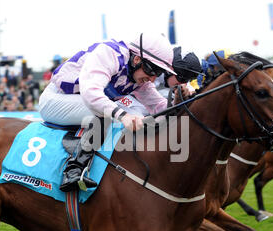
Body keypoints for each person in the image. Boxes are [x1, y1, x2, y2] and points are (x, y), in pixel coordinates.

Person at [38, 32, 176, 192]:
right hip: (55, 99)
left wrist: (183, 102)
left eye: (159, 73)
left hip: (80, 101)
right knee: (107, 112)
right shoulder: (110, 54)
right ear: (137, 59)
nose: (153, 78)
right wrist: (123, 115)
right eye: (153, 71)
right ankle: (74, 170)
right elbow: (92, 94)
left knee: (136, 116)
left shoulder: (140, 77)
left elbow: (160, 106)